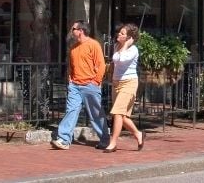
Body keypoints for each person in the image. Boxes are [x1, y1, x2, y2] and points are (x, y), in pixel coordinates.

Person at [51, 20, 110, 150]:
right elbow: (71, 67)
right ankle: (64, 139)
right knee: (71, 110)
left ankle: (105, 139)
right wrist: (70, 79)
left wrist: (95, 81)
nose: (72, 31)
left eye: (74, 29)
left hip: (90, 85)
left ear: (81, 31)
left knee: (96, 114)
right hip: (75, 86)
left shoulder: (93, 45)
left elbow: (101, 65)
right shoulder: (73, 48)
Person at [103, 23, 145, 152]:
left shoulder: (133, 50)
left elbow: (122, 59)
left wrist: (126, 45)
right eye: (119, 33)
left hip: (129, 83)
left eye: (122, 33)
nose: (119, 35)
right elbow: (115, 63)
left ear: (129, 37)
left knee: (117, 113)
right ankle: (138, 134)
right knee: (122, 116)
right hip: (117, 83)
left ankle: (113, 143)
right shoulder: (116, 46)